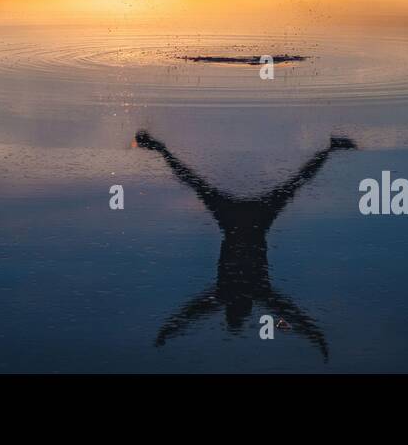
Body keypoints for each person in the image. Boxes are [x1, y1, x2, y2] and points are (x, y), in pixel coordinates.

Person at [135, 130, 357, 360]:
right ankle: (158, 148)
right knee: (199, 183)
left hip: (240, 221)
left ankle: (331, 149)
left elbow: (191, 315)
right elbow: (290, 317)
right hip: (249, 221)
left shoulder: (241, 294)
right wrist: (314, 337)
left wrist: (168, 331)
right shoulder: (241, 294)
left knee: (199, 183)